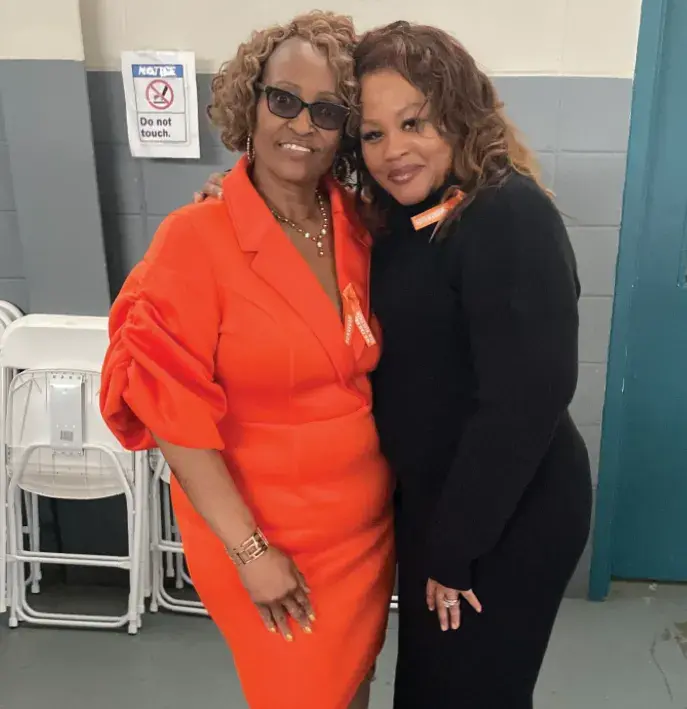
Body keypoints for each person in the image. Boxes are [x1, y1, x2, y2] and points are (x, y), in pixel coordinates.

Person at [198, 19, 593, 709]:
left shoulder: (507, 214)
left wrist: (456, 549)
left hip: (504, 511)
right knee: (426, 687)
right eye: (374, 134)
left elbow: (525, 401)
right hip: (435, 503)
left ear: (458, 115)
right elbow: (315, 229)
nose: (394, 151)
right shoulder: (399, 215)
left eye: (414, 123)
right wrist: (240, 201)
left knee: (466, 693)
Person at [99, 12, 395, 709]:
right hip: (263, 533)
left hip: (362, 529)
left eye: (327, 111)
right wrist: (252, 552)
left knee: (352, 685)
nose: (301, 125)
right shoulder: (196, 238)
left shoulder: (359, 224)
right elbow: (169, 409)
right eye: (284, 99)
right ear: (251, 99)